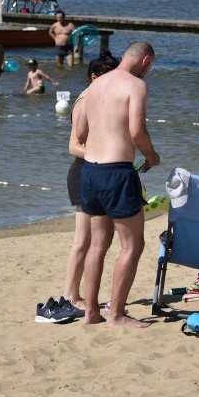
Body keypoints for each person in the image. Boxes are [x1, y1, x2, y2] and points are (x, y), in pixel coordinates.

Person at [75, 41, 159, 328]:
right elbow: (137, 131)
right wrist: (151, 155)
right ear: (145, 61)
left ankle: (90, 313)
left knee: (98, 244)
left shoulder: (93, 87)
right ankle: (117, 314)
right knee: (132, 244)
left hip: (90, 171)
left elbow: (81, 132)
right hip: (117, 173)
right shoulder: (135, 86)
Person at [56, 51, 121, 319]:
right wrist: (103, 155)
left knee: (97, 239)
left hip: (101, 172)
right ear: (94, 77)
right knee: (83, 239)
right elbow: (74, 146)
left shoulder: (104, 99)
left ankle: (82, 294)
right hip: (84, 172)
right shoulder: (84, 100)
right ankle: (71, 295)